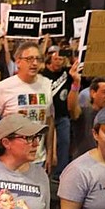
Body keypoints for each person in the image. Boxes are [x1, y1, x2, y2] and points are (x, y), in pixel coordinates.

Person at [0, 42, 56, 174]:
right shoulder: (4, 87)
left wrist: (50, 153)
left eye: (38, 59)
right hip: (11, 160)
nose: (35, 63)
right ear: (18, 62)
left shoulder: (47, 84)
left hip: (38, 158)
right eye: (29, 59)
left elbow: (49, 121)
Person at [40, 49, 77, 177]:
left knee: (64, 143)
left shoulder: (67, 74)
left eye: (61, 59)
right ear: (50, 60)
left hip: (62, 116)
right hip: (46, 115)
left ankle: (60, 173)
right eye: (56, 59)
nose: (58, 62)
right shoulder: (42, 75)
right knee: (44, 144)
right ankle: (44, 169)